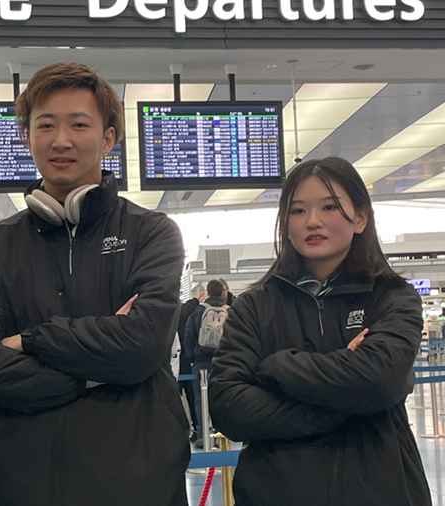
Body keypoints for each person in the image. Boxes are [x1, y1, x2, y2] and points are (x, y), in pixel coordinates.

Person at [0, 63, 189, 506]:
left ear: (108, 138)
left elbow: (142, 345)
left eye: (79, 124)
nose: (61, 140)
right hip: (20, 486)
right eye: (46, 125)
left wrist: (30, 340)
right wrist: (95, 374)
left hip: (138, 484)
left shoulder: (151, 233)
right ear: (26, 136)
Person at [208, 157, 430, 506]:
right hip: (276, 493)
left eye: (330, 207)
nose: (312, 221)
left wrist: (278, 367)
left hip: (379, 489)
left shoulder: (391, 296)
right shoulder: (255, 306)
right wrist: (350, 399)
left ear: (360, 217)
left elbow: (380, 379)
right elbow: (229, 407)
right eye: (298, 211)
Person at [184, 279, 230, 447]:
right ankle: (222, 435)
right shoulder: (230, 312)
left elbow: (188, 336)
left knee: (200, 400)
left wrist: (192, 358)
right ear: (223, 292)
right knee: (222, 397)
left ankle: (204, 435)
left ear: (208, 292)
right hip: (224, 362)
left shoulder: (198, 312)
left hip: (201, 362)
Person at [176, 289, 204, 440]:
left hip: (173, 365)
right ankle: (198, 430)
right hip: (187, 363)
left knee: (174, 401)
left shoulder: (169, 313)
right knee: (193, 399)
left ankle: (180, 431)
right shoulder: (186, 311)